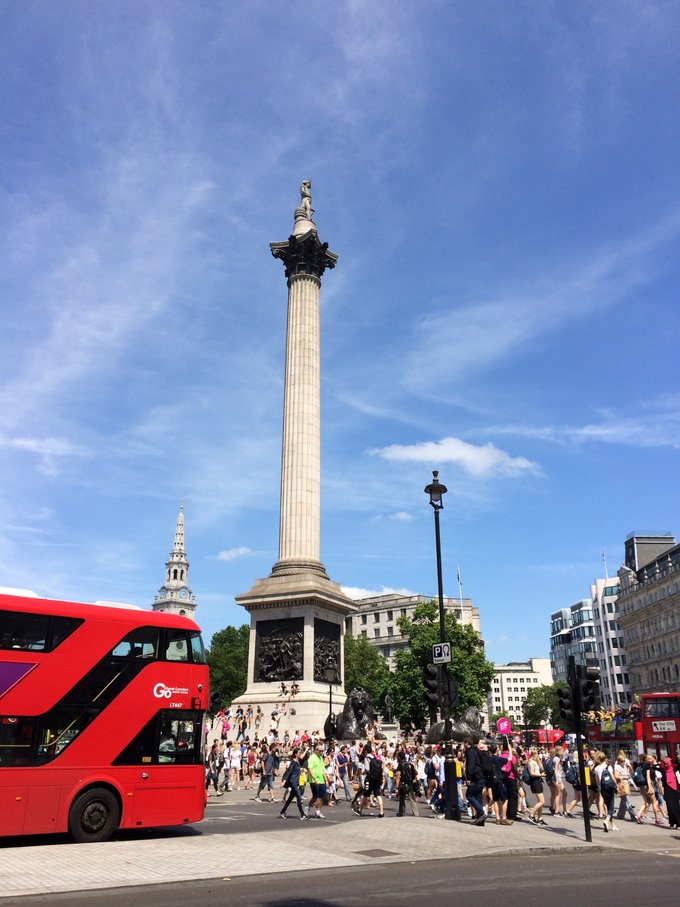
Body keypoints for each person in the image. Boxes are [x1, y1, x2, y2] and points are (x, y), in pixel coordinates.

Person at [354, 743, 385, 817]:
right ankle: (381, 812)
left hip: (369, 779)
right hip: (376, 779)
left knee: (365, 794)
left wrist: (363, 772)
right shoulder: (375, 758)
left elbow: (367, 770)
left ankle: (360, 810)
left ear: (366, 751)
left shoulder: (367, 759)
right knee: (378, 795)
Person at [279, 747, 308, 819]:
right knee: (299, 797)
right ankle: (303, 814)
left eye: (301, 753)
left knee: (290, 798)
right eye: (299, 753)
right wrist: (284, 782)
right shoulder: (293, 762)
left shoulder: (297, 762)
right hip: (293, 782)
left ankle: (282, 812)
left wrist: (301, 770)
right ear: (296, 754)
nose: (300, 754)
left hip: (296, 782)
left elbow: (296, 771)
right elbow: (289, 772)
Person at [463, 738, 486, 826]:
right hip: (481, 776)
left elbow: (471, 765)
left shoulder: (470, 751)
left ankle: (481, 812)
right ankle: (480, 819)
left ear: (466, 743)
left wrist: (468, 777)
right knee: (478, 796)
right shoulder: (477, 750)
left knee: (469, 795)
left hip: (475, 777)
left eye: (463, 744)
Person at [613, 750, 637, 822]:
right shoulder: (617, 767)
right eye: (623, 761)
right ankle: (634, 816)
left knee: (623, 800)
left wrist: (634, 784)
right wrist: (624, 777)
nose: (624, 762)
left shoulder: (624, 767)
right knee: (627, 801)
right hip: (621, 785)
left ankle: (620, 815)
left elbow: (629, 775)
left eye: (624, 761)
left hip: (626, 784)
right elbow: (616, 776)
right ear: (619, 761)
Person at [395, 749, 419, 817]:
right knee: (412, 799)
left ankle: (401, 813)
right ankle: (416, 813)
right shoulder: (409, 764)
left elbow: (398, 776)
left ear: (399, 757)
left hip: (403, 783)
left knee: (402, 799)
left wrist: (397, 786)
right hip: (410, 783)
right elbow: (415, 773)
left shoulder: (400, 765)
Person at [306, 741, 328, 818]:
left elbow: (323, 769)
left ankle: (318, 811)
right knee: (315, 796)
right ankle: (307, 807)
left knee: (322, 796)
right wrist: (314, 778)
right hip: (314, 780)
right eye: (320, 751)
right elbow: (310, 769)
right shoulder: (312, 758)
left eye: (322, 751)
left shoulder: (321, 758)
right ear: (316, 750)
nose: (321, 752)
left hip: (321, 779)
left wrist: (326, 779)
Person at [527, 747, 547, 825]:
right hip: (535, 781)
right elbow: (532, 773)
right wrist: (540, 775)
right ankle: (531, 814)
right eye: (537, 754)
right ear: (534, 754)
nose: (538, 755)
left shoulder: (534, 762)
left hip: (537, 780)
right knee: (542, 801)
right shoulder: (531, 762)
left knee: (540, 801)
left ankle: (540, 818)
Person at [660, 757, 680, 829]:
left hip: (674, 790)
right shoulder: (663, 771)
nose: (665, 765)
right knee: (669, 807)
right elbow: (653, 767)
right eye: (664, 764)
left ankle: (678, 823)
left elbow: (679, 764)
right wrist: (661, 763)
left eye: (667, 764)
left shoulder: (674, 770)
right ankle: (671, 823)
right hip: (667, 791)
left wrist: (672, 760)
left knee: (676, 807)